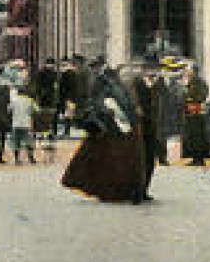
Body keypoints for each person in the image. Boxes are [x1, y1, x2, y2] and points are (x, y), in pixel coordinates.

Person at [61, 64, 152, 204]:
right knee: (120, 162)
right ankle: (125, 190)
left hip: (112, 130)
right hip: (120, 130)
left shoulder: (103, 85)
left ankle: (114, 190)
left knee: (106, 162)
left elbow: (97, 104)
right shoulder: (117, 86)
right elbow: (126, 106)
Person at [132, 62, 169, 172]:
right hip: (143, 113)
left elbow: (166, 96)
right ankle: (144, 158)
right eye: (149, 69)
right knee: (145, 135)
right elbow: (134, 96)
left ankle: (162, 157)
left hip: (158, 113)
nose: (151, 71)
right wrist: (137, 106)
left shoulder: (161, 81)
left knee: (160, 135)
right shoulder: (138, 82)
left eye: (153, 69)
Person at [179, 60, 210, 165]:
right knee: (193, 137)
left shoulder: (198, 81)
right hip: (192, 112)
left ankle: (198, 159)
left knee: (197, 137)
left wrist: (191, 99)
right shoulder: (193, 81)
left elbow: (202, 95)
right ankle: (196, 158)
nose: (187, 72)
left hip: (195, 112)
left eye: (189, 70)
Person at [57, 56, 86, 139]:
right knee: (68, 115)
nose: (61, 67)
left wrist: (63, 99)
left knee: (67, 116)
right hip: (72, 98)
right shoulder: (74, 74)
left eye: (63, 65)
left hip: (68, 99)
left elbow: (63, 89)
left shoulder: (67, 74)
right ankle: (66, 132)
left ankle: (66, 133)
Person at [8, 85, 37, 164]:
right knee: (29, 141)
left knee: (16, 142)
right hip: (26, 124)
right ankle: (31, 158)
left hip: (16, 124)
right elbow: (36, 109)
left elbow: (9, 110)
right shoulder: (29, 100)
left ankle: (17, 159)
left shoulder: (14, 100)